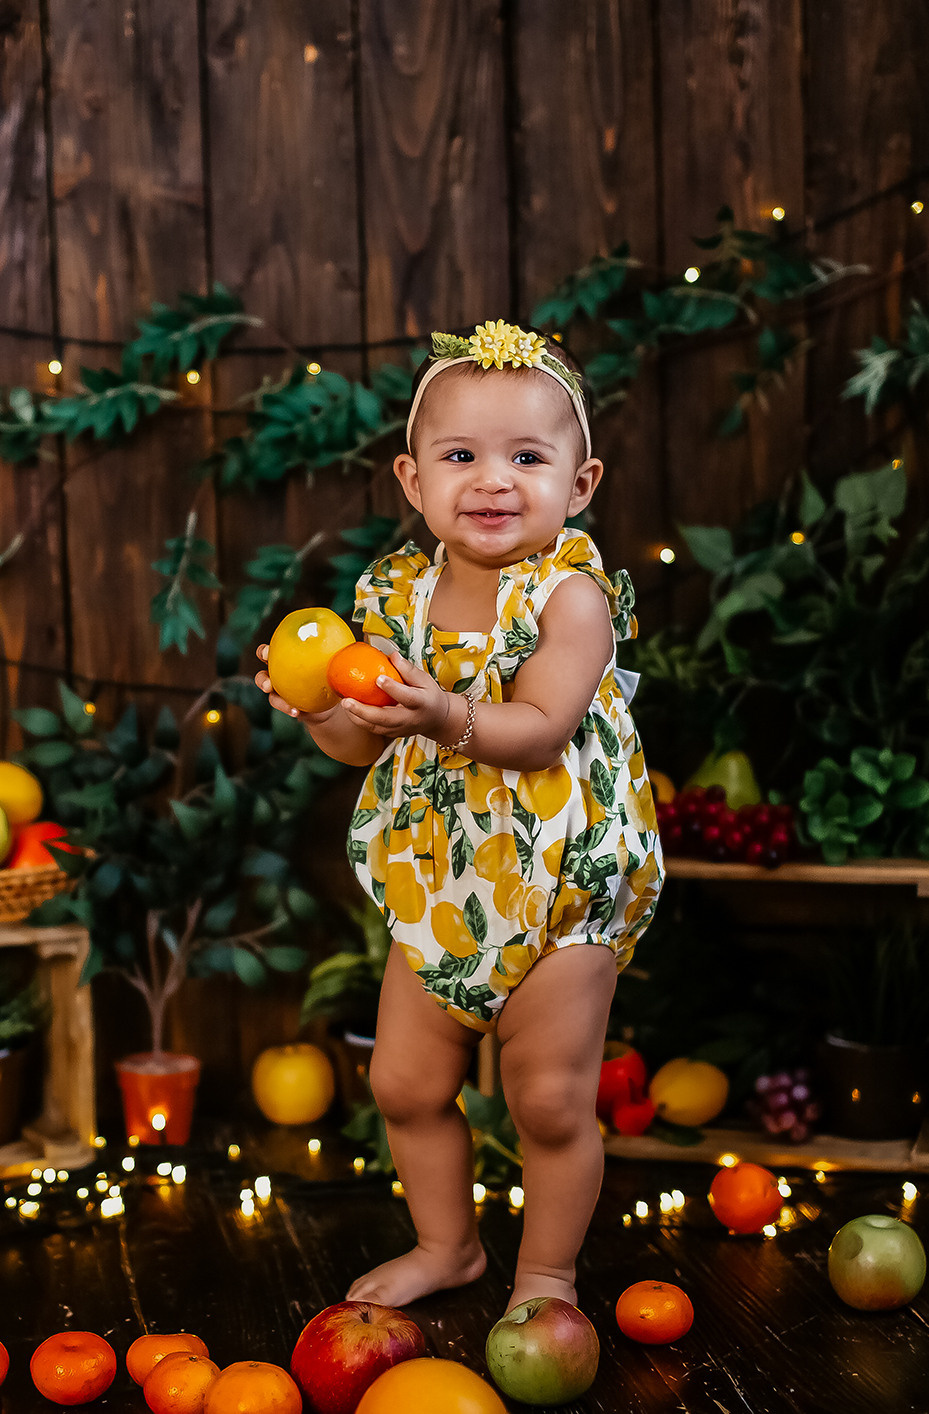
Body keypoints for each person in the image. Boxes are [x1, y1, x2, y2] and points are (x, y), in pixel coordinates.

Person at [254, 320, 663, 1314]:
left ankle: (548, 1278)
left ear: (580, 483)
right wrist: (318, 709)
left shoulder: (571, 596)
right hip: (443, 873)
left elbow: (540, 727)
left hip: (564, 874)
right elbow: (364, 742)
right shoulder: (393, 594)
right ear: (412, 479)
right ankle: (450, 1246)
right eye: (461, 456)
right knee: (401, 1083)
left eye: (528, 457)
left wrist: (440, 709)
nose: (493, 480)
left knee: (550, 1098)